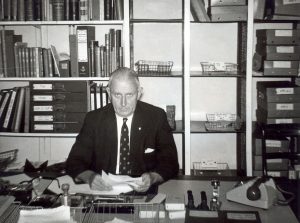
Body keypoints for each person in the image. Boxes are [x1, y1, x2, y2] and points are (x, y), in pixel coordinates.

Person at [66, 67, 179, 192]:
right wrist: (90, 177)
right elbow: (74, 161)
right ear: (109, 92)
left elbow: (171, 162)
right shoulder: (94, 119)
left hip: (143, 191)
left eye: (129, 95)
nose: (123, 103)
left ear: (139, 93)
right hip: (104, 190)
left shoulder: (156, 117)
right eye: (117, 95)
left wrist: (153, 177)